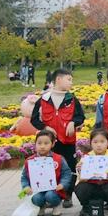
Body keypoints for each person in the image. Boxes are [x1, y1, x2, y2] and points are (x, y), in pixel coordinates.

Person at [30, 68, 85, 206]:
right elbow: (34, 119)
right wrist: (45, 127)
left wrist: (73, 122)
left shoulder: (72, 99)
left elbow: (80, 116)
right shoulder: (43, 100)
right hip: (49, 142)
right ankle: (50, 196)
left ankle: (67, 195)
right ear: (58, 80)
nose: (71, 83)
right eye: (69, 79)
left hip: (67, 141)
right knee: (49, 168)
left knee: (70, 167)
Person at [20, 129, 73, 216]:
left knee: (50, 195)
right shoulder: (30, 161)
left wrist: (62, 184)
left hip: (54, 190)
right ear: (35, 144)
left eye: (46, 143)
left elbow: (66, 173)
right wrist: (26, 187)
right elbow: (24, 177)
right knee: (36, 198)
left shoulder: (58, 159)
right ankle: (41, 206)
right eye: (39, 143)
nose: (42, 146)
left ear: (53, 144)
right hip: (37, 190)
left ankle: (56, 205)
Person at [74, 129, 108, 216]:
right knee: (81, 187)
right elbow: (81, 178)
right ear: (91, 143)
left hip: (106, 186)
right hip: (92, 187)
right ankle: (86, 206)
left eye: (102, 141)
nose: (99, 145)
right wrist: (80, 170)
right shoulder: (86, 157)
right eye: (95, 142)